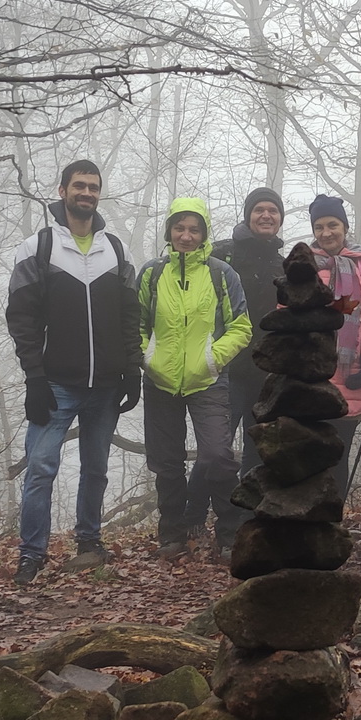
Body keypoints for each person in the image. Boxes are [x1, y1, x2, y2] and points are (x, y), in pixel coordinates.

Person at [5, 159, 140, 585]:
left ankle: (89, 542)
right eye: (79, 185)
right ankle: (31, 555)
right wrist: (34, 377)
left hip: (106, 385)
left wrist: (132, 368)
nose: (87, 193)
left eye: (93, 187)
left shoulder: (116, 250)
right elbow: (21, 318)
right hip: (56, 384)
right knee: (41, 468)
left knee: (96, 469)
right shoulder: (38, 247)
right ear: (62, 190)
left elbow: (130, 315)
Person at [134, 197, 251, 559]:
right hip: (160, 381)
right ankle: (172, 535)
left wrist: (212, 360)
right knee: (166, 462)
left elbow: (241, 327)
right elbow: (135, 325)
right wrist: (148, 359)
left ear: (204, 234)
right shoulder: (152, 274)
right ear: (169, 231)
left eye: (194, 229)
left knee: (217, 456)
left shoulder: (221, 274)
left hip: (208, 382)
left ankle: (229, 535)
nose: (186, 236)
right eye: (179, 228)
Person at [304, 194, 361, 490]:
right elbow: (286, 322)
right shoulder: (303, 268)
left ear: (345, 226)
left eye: (332, 225)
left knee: (337, 462)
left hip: (351, 379)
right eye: (319, 227)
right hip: (310, 381)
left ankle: (333, 518)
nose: (326, 233)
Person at [216, 187, 285, 492]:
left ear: (280, 218)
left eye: (273, 211)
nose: (266, 216)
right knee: (215, 451)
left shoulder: (284, 265)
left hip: (267, 375)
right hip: (226, 370)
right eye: (259, 210)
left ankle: (246, 514)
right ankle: (198, 513)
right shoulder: (222, 255)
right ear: (248, 216)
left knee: (257, 452)